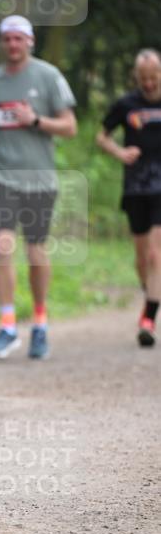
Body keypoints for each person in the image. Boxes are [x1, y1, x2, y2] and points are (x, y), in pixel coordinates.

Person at [0, 15, 77, 360]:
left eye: (19, 39)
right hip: (0, 174)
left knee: (36, 251)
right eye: (7, 39)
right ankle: (7, 325)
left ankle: (39, 322)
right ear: (2, 43)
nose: (13, 45)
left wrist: (34, 120)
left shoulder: (48, 76)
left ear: (30, 41)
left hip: (39, 178)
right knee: (2, 245)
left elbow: (70, 127)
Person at [97, 49, 161, 348]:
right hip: (136, 187)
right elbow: (102, 136)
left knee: (154, 253)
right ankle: (151, 293)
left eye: (154, 77)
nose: (149, 83)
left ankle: (148, 318)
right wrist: (120, 153)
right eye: (143, 78)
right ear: (137, 77)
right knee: (141, 258)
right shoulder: (126, 104)